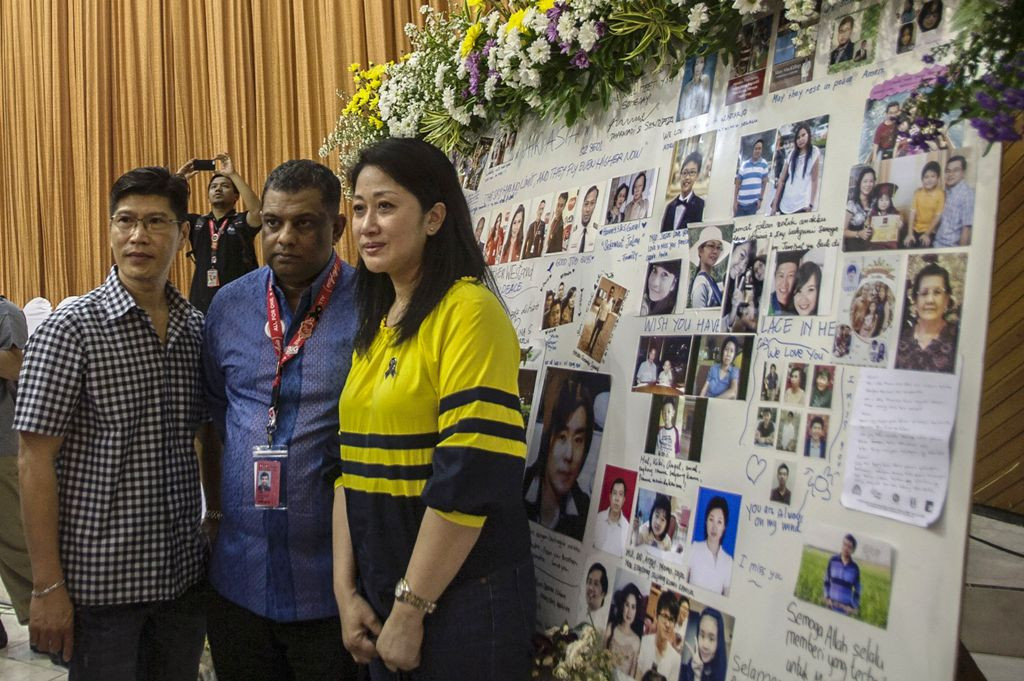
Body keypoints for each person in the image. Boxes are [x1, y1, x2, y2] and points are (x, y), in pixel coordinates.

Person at [336, 139, 535, 679]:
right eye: (358, 209)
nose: (367, 225)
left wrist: (411, 606)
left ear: (434, 217)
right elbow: (348, 469)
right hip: (384, 594)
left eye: (385, 205)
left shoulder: (469, 310)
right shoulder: (378, 323)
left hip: (461, 599)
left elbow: (470, 473)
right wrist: (345, 591)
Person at [15, 167, 207, 677]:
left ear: (182, 232)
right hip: (102, 591)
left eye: (155, 222)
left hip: (181, 582)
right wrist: (47, 586)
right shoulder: (70, 328)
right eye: (125, 221)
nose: (138, 236)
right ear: (110, 228)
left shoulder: (194, 329)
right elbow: (34, 459)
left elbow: (206, 435)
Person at [200, 160, 359, 680]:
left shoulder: (373, 306)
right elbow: (215, 418)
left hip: (333, 591)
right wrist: (217, 514)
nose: (284, 237)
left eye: (304, 223)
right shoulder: (228, 307)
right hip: (238, 583)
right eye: (272, 223)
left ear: (336, 228)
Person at [176, 153, 263, 313]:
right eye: (214, 186)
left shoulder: (241, 222)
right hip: (202, 305)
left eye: (225, 186)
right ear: (208, 197)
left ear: (236, 196)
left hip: (240, 305)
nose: (218, 189)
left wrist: (233, 175)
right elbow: (169, 215)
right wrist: (178, 181)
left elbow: (258, 211)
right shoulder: (197, 223)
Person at [523, 375, 595, 541]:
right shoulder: (520, 484)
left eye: (578, 440)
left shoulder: (584, 511)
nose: (569, 455)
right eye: (562, 437)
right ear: (547, 437)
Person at [0, 296, 32, 649]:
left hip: (3, 448)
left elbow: (14, 364)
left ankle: (46, 614)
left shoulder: (6, 313)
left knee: (15, 542)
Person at [895, 261, 959, 373]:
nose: (930, 300)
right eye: (924, 293)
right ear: (915, 300)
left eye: (937, 292)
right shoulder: (900, 340)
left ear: (946, 299)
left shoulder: (957, 338)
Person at [687, 496, 734, 596]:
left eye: (719, 522)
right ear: (706, 522)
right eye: (711, 519)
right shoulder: (694, 548)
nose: (714, 527)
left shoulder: (728, 561)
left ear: (724, 527)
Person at [772, 122, 821, 215]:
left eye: (803, 135)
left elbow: (814, 180)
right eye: (798, 137)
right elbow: (782, 180)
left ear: (808, 135)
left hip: (802, 206)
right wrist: (774, 206)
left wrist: (811, 204)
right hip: (785, 205)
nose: (801, 139)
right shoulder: (791, 154)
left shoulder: (814, 152)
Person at [636, 591, 682, 681]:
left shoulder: (676, 659)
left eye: (672, 619)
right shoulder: (643, 643)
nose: (668, 624)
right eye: (665, 616)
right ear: (656, 616)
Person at [934, 155, 974, 247]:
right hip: (936, 243)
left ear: (963, 173)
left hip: (949, 248)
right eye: (948, 171)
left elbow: (966, 229)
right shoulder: (946, 191)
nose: (950, 174)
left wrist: (959, 255)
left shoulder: (967, 194)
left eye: (956, 170)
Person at [604, 583, 643, 678]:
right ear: (622, 606)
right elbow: (600, 659)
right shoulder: (611, 628)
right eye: (627, 605)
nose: (629, 611)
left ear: (636, 611)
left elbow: (631, 675)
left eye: (633, 607)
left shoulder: (636, 641)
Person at [680, 608, 728, 681]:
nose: (705, 645)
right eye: (702, 635)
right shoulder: (689, 668)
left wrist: (698, 677)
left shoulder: (724, 675)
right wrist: (696, 675)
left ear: (719, 642)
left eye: (711, 639)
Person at [661, 152, 705, 232]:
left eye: (692, 173)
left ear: (697, 176)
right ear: (680, 175)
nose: (687, 177)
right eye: (685, 173)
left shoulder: (701, 205)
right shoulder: (670, 206)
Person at [906, 161, 945, 248]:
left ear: (938, 178)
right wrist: (910, 233)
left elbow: (937, 216)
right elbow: (912, 213)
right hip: (915, 229)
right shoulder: (917, 193)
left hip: (930, 231)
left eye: (933, 176)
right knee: (907, 244)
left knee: (923, 247)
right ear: (922, 179)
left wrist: (927, 234)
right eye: (926, 177)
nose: (929, 180)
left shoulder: (940, 194)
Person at [721, 240, 756, 330]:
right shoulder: (716, 276)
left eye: (746, 264)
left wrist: (734, 306)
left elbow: (727, 323)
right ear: (732, 247)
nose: (741, 267)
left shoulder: (733, 284)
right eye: (742, 255)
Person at [688, 226, 726, 308]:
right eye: (711, 246)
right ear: (700, 251)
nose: (715, 251)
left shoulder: (709, 280)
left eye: (718, 247)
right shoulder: (701, 284)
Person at [824, 534, 861, 616]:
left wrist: (852, 606)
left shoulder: (855, 568)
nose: (846, 548)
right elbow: (826, 581)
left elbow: (858, 591)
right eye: (844, 544)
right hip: (830, 607)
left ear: (853, 550)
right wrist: (827, 597)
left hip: (844, 611)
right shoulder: (833, 560)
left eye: (849, 546)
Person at [734, 139, 770, 217]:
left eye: (759, 148)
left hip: (753, 205)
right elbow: (737, 183)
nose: (757, 151)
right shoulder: (744, 164)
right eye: (756, 148)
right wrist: (735, 202)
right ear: (752, 150)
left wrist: (760, 200)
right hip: (740, 204)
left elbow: (764, 183)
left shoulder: (764, 164)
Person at [594, 479, 630, 556]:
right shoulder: (597, 518)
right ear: (610, 497)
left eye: (620, 494)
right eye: (614, 493)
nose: (617, 498)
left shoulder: (627, 528)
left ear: (623, 500)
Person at [843, 167, 876, 251]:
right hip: (854, 245)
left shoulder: (874, 202)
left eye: (871, 181)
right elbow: (842, 231)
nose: (868, 185)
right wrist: (858, 234)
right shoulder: (852, 204)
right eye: (865, 181)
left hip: (871, 243)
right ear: (859, 183)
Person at [867, 182, 902, 249]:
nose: (884, 203)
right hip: (875, 245)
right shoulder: (873, 214)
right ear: (877, 201)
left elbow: (898, 231)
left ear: (890, 201)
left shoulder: (895, 213)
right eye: (881, 200)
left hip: (890, 245)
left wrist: (899, 225)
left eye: (887, 200)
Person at [677, 54, 712, 120]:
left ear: (704, 65)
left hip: (699, 122)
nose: (698, 66)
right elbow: (681, 110)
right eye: (696, 63)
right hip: (685, 123)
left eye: (701, 62)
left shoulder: (706, 79)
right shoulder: (687, 87)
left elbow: (706, 103)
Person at [567, 185, 600, 253]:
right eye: (586, 204)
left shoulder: (597, 233)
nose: (588, 209)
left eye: (592, 203)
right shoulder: (572, 233)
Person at [587, 288, 616, 355]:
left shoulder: (610, 304)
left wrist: (604, 324)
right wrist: (596, 318)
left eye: (612, 293)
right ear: (608, 292)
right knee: (593, 333)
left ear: (612, 294)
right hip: (598, 319)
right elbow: (599, 309)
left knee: (596, 336)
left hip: (602, 322)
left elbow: (608, 315)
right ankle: (588, 345)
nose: (610, 294)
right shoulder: (604, 300)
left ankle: (591, 350)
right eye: (610, 292)